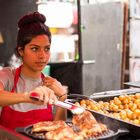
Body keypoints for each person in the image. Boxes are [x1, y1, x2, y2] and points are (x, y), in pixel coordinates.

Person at [0, 11, 67, 130]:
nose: (43, 56)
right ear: (21, 50)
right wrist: (27, 97)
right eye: (35, 49)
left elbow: (58, 130)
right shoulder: (8, 76)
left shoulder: (52, 86)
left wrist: (63, 97)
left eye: (47, 49)